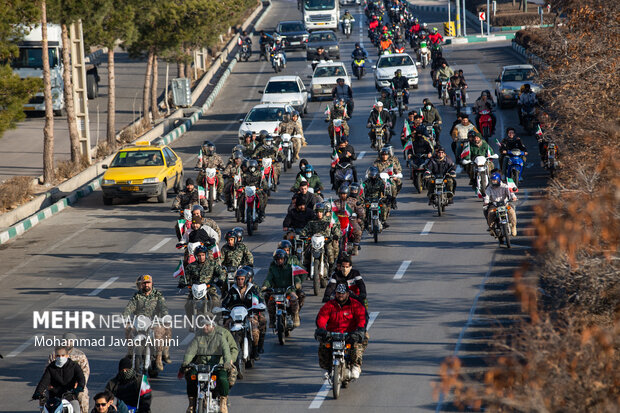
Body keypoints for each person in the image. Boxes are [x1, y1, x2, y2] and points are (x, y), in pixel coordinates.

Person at [180, 315, 233, 413]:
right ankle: (191, 403)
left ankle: (223, 402)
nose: (205, 327)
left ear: (213, 326)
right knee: (191, 376)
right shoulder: (198, 336)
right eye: (203, 325)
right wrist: (186, 362)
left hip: (217, 367)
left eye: (207, 325)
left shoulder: (220, 337)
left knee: (223, 379)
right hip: (201, 366)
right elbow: (191, 350)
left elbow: (226, 351)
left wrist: (226, 362)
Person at [315, 284, 367, 379]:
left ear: (347, 294)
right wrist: (321, 329)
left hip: (350, 335)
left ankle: (356, 365)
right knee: (323, 345)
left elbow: (362, 317)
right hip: (333, 335)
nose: (340, 295)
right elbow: (322, 317)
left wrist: (359, 330)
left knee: (359, 342)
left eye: (343, 293)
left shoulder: (355, 304)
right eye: (338, 293)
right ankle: (326, 368)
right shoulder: (330, 305)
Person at [122, 275, 171, 371]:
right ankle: (130, 352)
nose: (146, 285)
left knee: (161, 332)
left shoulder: (158, 295)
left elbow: (163, 307)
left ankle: (160, 357)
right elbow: (130, 307)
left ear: (152, 283)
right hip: (140, 321)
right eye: (144, 283)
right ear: (141, 284)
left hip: (154, 321)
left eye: (148, 283)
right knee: (128, 328)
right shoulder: (137, 295)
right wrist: (125, 315)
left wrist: (165, 316)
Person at [221, 268, 266, 358]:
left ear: (245, 279)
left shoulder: (252, 288)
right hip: (234, 316)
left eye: (242, 279)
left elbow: (259, 299)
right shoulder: (232, 289)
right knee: (224, 328)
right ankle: (225, 350)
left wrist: (259, 306)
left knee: (255, 330)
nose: (240, 281)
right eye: (238, 279)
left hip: (249, 315)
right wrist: (223, 309)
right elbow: (225, 302)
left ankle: (256, 349)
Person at [33, 346, 85, 413]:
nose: (60, 357)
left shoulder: (74, 366)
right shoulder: (51, 367)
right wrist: (38, 392)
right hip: (54, 397)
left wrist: (80, 387)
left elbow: (81, 378)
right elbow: (44, 381)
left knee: (76, 410)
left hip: (70, 396)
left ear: (67, 355)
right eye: (58, 355)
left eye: (63, 355)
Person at [47, 332, 90, 413]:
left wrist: (79, 383)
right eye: (66, 340)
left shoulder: (80, 355)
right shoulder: (54, 355)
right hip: (57, 384)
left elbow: (85, 371)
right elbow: (48, 371)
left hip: (74, 384)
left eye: (70, 341)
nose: (67, 343)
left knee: (82, 394)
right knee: (44, 394)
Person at [261, 249, 304, 328]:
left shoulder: (290, 266)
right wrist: (265, 286)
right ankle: (272, 319)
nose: (280, 261)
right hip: (276, 291)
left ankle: (295, 316)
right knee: (270, 302)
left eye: (281, 259)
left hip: (289, 290)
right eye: (278, 259)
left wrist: (298, 283)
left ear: (285, 259)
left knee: (294, 299)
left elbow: (296, 276)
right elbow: (269, 278)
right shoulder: (273, 267)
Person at [180, 245, 226, 312]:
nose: (201, 257)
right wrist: (182, 282)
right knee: (188, 305)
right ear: (196, 256)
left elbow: (221, 273)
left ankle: (216, 319)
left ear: (206, 255)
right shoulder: (191, 266)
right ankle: (191, 320)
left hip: (209, 288)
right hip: (195, 290)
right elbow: (185, 276)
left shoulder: (212, 264)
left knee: (216, 302)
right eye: (199, 255)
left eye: (203, 255)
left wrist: (221, 279)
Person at [299, 203, 341, 272]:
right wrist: (302, 235)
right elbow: (305, 230)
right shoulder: (312, 222)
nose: (319, 214)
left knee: (330, 253)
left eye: (321, 212)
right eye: (317, 212)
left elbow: (336, 230)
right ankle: (307, 269)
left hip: (326, 241)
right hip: (313, 242)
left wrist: (336, 235)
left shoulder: (329, 221)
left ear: (324, 212)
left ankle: (330, 269)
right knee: (306, 253)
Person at [332, 184, 364, 255]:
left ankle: (355, 247)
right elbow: (332, 212)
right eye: (341, 194)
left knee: (358, 231)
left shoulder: (353, 201)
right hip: (339, 221)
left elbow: (360, 210)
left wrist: (360, 218)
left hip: (350, 220)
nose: (343, 195)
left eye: (344, 194)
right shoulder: (335, 203)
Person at [483, 173, 518, 237]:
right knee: (490, 213)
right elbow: (487, 196)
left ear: (498, 180)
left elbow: (511, 193)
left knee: (512, 212)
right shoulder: (489, 188)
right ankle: (492, 229)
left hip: (505, 204)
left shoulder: (505, 186)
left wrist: (513, 197)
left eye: (495, 180)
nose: (493, 182)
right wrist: (486, 201)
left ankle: (513, 227)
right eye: (492, 180)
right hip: (494, 206)